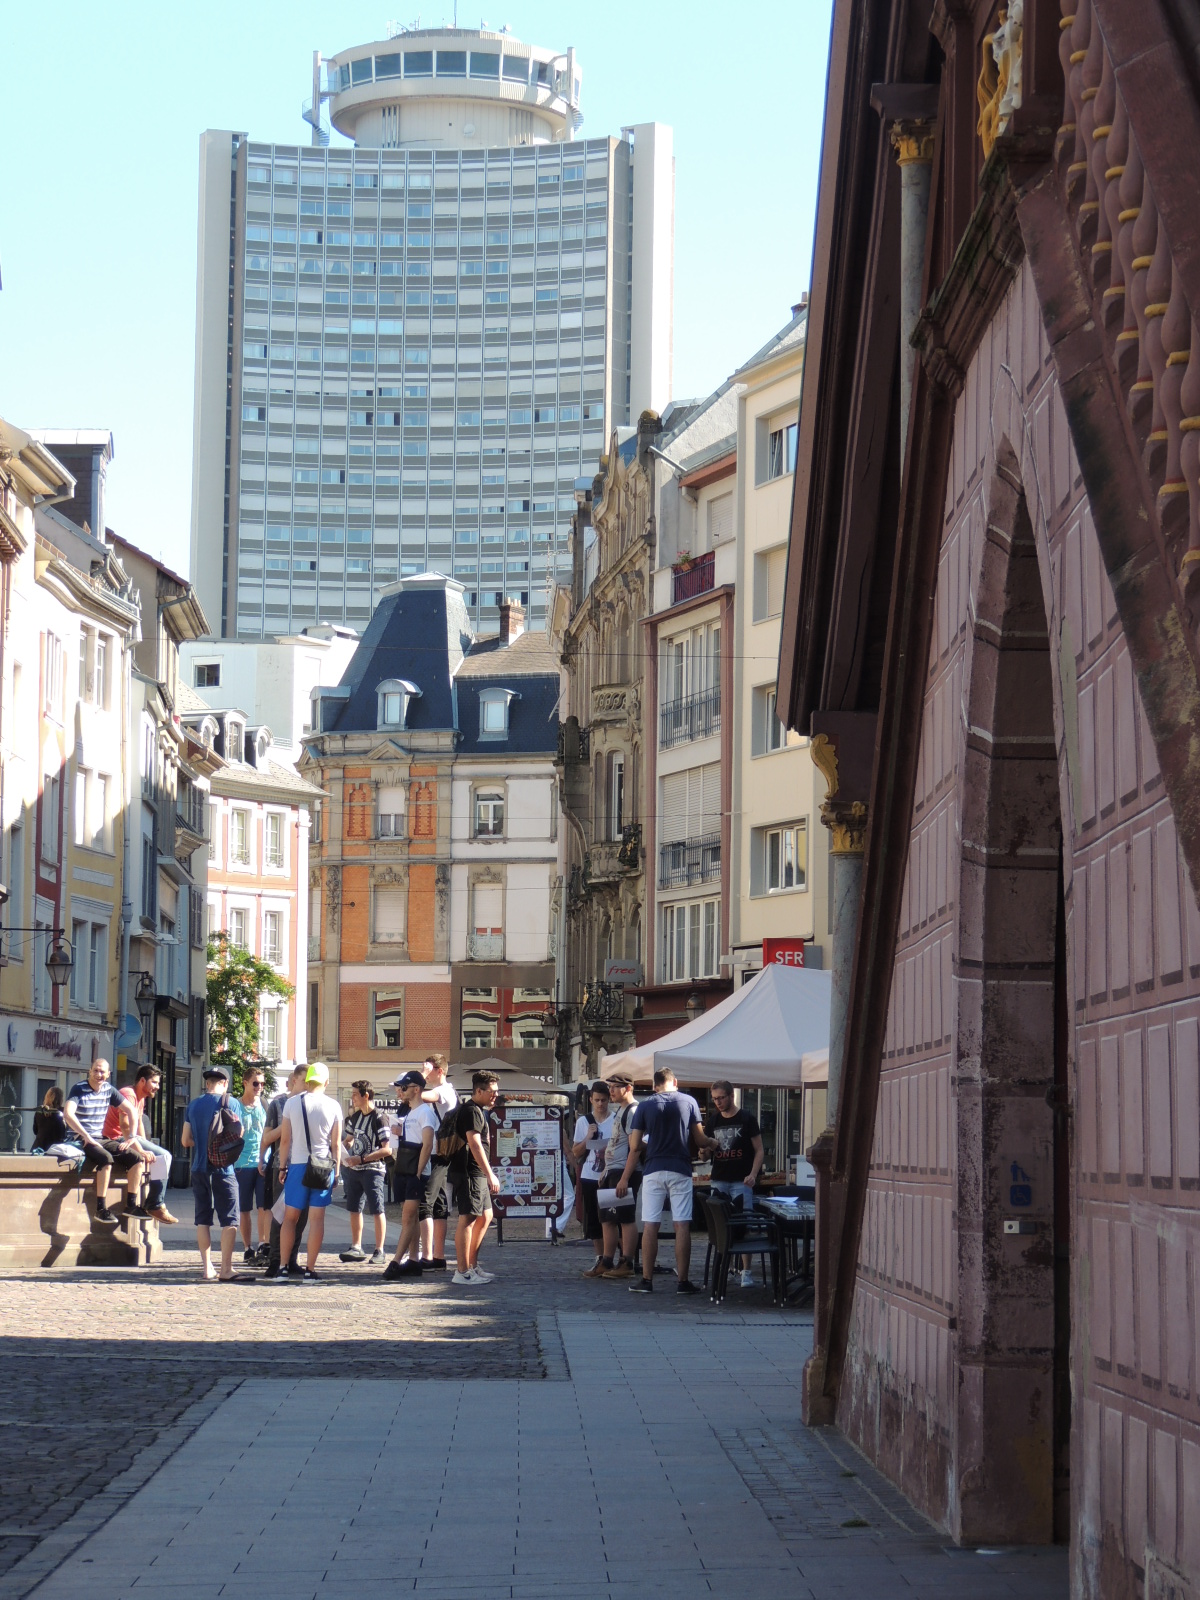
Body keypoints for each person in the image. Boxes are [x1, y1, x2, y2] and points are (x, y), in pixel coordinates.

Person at [616, 1066, 716, 1295]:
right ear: (675, 1082)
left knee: (651, 1224)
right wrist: (711, 1142)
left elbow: (634, 1146)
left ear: (654, 1085)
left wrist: (653, 1144)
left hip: (653, 1169)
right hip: (679, 1167)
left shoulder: (645, 1106)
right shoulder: (688, 1101)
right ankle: (682, 1281)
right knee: (682, 1224)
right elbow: (699, 1139)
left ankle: (647, 1280)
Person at [180, 1065, 251, 1282]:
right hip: (223, 1169)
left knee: (203, 1219)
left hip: (199, 1168)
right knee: (230, 1219)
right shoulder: (231, 1103)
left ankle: (207, 1267)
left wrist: (203, 1143)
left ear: (207, 1083)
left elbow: (185, 1141)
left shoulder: (193, 1105)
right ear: (225, 1083)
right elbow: (238, 1135)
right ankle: (226, 1268)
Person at [275, 1061, 343, 1283]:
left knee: (290, 1218)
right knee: (316, 1220)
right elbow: (335, 1145)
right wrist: (338, 1172)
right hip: (323, 1166)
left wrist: (282, 1166)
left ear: (307, 1080)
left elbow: (285, 1140)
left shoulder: (292, 1104)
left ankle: (283, 1267)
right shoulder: (333, 1106)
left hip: (297, 1165)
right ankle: (310, 1270)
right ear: (326, 1081)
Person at [62, 1058, 145, 1222]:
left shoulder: (109, 1090)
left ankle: (131, 1205)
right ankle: (101, 1209)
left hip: (99, 1138)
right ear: (90, 1071)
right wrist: (85, 1135)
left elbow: (131, 1111)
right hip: (80, 1139)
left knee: (137, 1158)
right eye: (96, 1070)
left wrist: (132, 1137)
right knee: (106, 1160)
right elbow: (68, 1114)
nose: (99, 1075)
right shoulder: (79, 1089)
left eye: (102, 1072)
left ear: (108, 1074)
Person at [704, 1080, 765, 1288]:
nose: (718, 1102)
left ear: (731, 1096)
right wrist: (704, 1150)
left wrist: (753, 1174)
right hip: (719, 1178)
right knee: (721, 1226)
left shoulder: (747, 1118)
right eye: (714, 1099)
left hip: (741, 1179)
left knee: (744, 1224)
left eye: (721, 1098)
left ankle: (746, 1270)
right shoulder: (713, 1121)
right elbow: (706, 1150)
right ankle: (725, 1266)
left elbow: (759, 1149)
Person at [103, 1065, 179, 1225]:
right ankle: (155, 1205)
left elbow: (138, 1125)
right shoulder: (128, 1095)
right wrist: (141, 1151)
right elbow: (125, 1127)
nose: (157, 1087)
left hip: (128, 1138)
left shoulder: (140, 1097)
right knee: (165, 1156)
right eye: (155, 1082)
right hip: (116, 1139)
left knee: (160, 1156)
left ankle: (155, 1204)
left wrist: (145, 1145)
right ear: (142, 1081)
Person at [382, 1071, 438, 1281]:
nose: (401, 1091)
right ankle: (413, 1260)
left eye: (404, 1088)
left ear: (416, 1089)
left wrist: (418, 1171)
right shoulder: (409, 1112)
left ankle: (396, 1261)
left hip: (415, 1169)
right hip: (405, 1166)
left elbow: (428, 1144)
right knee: (411, 1217)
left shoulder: (425, 1112)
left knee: (408, 1217)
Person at [449, 1070, 501, 1285]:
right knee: (468, 1219)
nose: (496, 1095)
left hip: (476, 1172)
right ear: (478, 1091)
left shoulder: (478, 1110)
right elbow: (475, 1143)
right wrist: (490, 1174)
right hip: (470, 1171)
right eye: (492, 1091)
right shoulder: (471, 1111)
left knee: (486, 1216)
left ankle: (472, 1265)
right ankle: (462, 1271)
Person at [259, 1066, 309, 1279]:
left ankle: (292, 1259)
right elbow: (267, 1137)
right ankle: (276, 1260)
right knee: (280, 1214)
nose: (308, 1085)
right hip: (283, 1165)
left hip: (307, 1165)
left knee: (302, 1215)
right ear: (294, 1080)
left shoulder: (313, 1103)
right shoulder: (279, 1104)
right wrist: (288, 1123)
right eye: (305, 1081)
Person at [339, 1080, 391, 1263]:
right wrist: (341, 1147)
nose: (352, 1097)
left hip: (373, 1169)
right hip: (355, 1168)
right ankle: (356, 1246)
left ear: (365, 1095)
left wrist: (361, 1158)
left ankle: (380, 1250)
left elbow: (387, 1150)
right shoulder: (355, 1117)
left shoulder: (380, 1117)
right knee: (354, 1208)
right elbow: (350, 1139)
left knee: (377, 1209)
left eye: (354, 1094)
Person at [597, 1074, 641, 1280]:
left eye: (615, 1087)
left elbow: (635, 1148)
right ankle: (607, 1260)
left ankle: (627, 1261)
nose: (611, 1091)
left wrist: (625, 1177)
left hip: (624, 1171)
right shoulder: (620, 1110)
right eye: (610, 1087)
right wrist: (605, 1170)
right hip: (612, 1171)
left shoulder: (633, 1111)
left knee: (624, 1217)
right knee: (607, 1218)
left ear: (628, 1088)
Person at [418, 1053, 458, 1269]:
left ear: (439, 1070)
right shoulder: (446, 1090)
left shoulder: (443, 1091)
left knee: (426, 1202)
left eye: (429, 1068)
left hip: (438, 1153)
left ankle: (427, 1255)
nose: (426, 1072)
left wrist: (420, 1077)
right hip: (442, 1151)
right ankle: (439, 1256)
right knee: (440, 1204)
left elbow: (418, 1094)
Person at [572, 1081, 613, 1278]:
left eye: (603, 1100)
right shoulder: (583, 1122)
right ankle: (600, 1257)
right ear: (590, 1100)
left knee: (612, 1218)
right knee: (594, 1220)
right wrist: (588, 1137)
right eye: (596, 1100)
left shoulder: (615, 1120)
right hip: (589, 1176)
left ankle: (612, 1257)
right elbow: (576, 1151)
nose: (600, 1104)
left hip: (611, 1176)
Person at [233, 1069, 269, 1262]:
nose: (259, 1087)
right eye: (255, 1083)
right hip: (241, 1164)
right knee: (244, 1208)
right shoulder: (236, 1106)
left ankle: (263, 1243)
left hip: (262, 1163)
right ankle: (247, 1247)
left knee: (264, 1206)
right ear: (245, 1083)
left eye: (262, 1084)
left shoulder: (264, 1105)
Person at [33, 1087, 80, 1162]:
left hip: (38, 1148)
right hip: (56, 1150)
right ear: (61, 1098)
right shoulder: (63, 1112)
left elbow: (35, 1131)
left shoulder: (39, 1112)